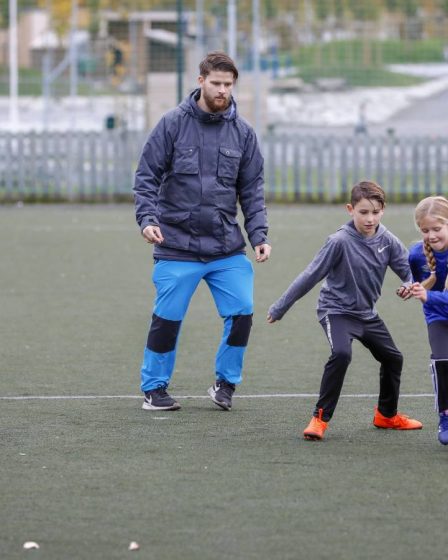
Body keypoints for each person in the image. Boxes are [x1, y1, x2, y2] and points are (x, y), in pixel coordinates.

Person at [133, 51, 271, 412]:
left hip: (226, 248)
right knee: (168, 319)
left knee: (242, 313)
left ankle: (225, 384)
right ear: (201, 81)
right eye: (216, 83)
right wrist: (147, 219)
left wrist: (259, 235)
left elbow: (252, 190)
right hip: (176, 245)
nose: (223, 90)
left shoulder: (243, 133)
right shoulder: (171, 124)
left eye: (228, 84)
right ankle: (154, 389)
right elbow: (146, 177)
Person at [267, 181, 422, 440]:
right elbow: (310, 275)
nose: (370, 218)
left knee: (393, 358)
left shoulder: (388, 239)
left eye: (375, 212)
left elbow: (408, 270)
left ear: (383, 210)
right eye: (363, 212)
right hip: (336, 311)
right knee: (341, 354)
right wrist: (280, 307)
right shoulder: (338, 241)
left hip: (366, 315)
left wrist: (409, 285)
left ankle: (386, 415)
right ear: (350, 209)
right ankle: (319, 419)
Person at [409, 196, 448, 445]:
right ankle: (445, 417)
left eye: (437, 228)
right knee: (443, 360)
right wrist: (410, 289)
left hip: (438, 304)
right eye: (425, 230)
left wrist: (427, 295)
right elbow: (415, 282)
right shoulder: (416, 255)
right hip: (437, 317)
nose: (431, 235)